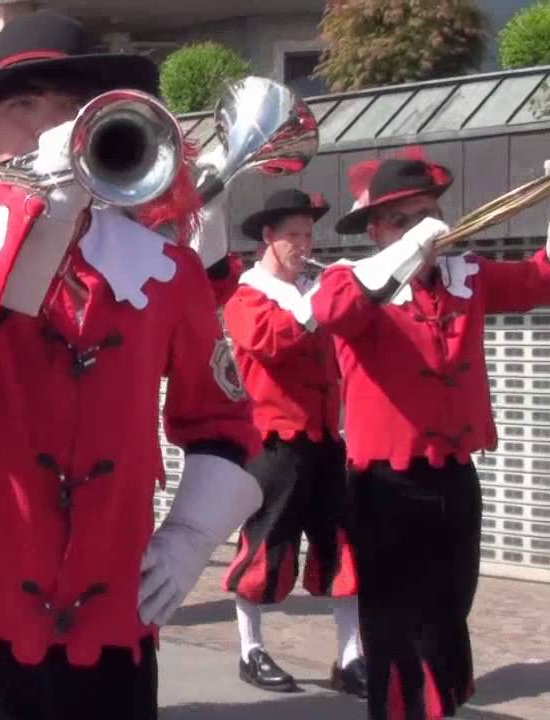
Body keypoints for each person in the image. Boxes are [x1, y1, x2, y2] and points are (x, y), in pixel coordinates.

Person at [0, 12, 263, 719]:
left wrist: (192, 537)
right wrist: (38, 212)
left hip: (111, 626)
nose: (51, 128)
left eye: (71, 108)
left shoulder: (167, 270)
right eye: (22, 106)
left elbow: (224, 419)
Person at [310, 148, 550, 720]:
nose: (423, 228)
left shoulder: (467, 277)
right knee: (394, 627)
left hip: (453, 479)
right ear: (377, 230)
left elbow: (543, 278)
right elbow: (332, 310)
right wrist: (402, 254)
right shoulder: (354, 281)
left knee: (446, 618)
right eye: (404, 218)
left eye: (428, 214)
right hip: (384, 488)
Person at [220, 189, 365, 696]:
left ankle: (350, 658)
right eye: (293, 236)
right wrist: (321, 297)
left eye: (308, 235)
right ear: (268, 238)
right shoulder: (245, 295)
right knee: (265, 545)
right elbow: (274, 341)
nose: (304, 245)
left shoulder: (313, 288)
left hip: (326, 439)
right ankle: (250, 650)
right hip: (274, 444)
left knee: (346, 546)